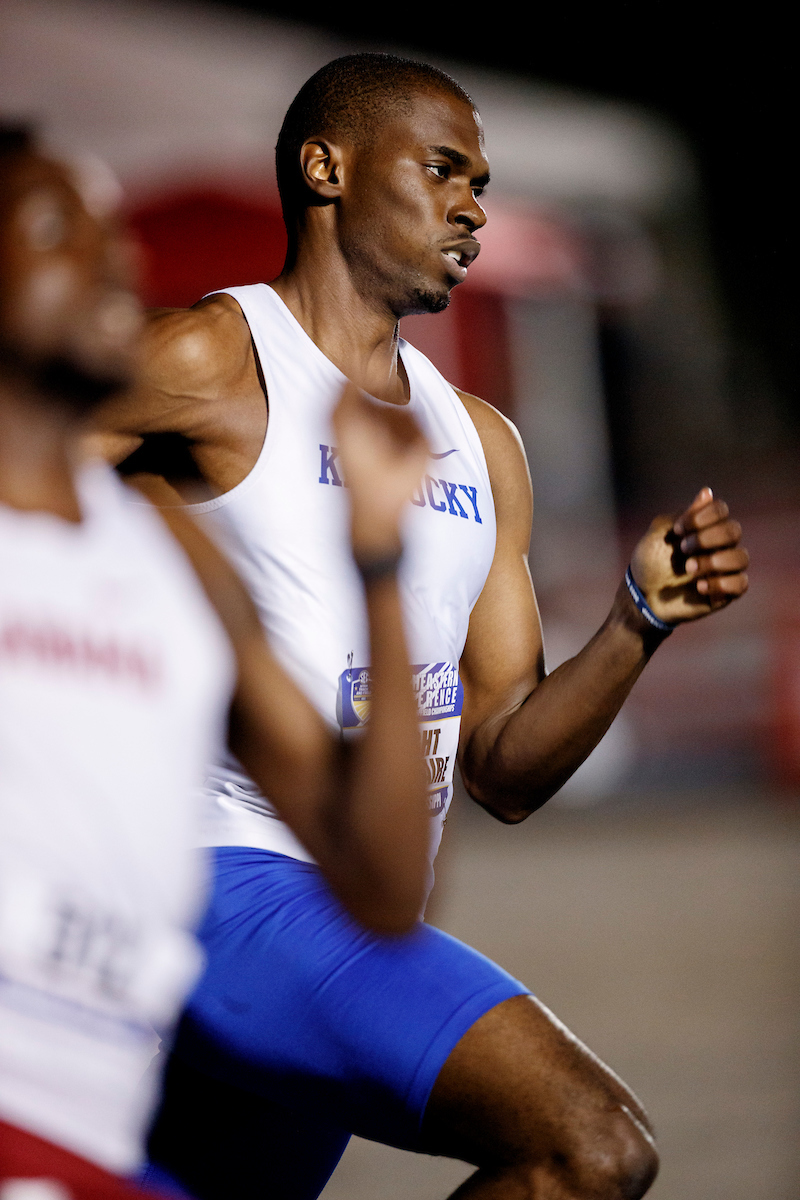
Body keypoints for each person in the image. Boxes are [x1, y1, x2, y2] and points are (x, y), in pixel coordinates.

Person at [90, 53, 750, 1200]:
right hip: (221, 881)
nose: (473, 208)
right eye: (443, 171)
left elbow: (505, 765)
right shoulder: (210, 359)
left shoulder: (480, 446)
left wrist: (639, 620)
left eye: (483, 184)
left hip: (346, 898)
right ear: (325, 167)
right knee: (589, 1147)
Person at [0, 124, 430, 1199]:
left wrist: (377, 562)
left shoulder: (160, 550)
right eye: (58, 228)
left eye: (116, 236)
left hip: (83, 1131)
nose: (112, 263)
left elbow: (379, 885)